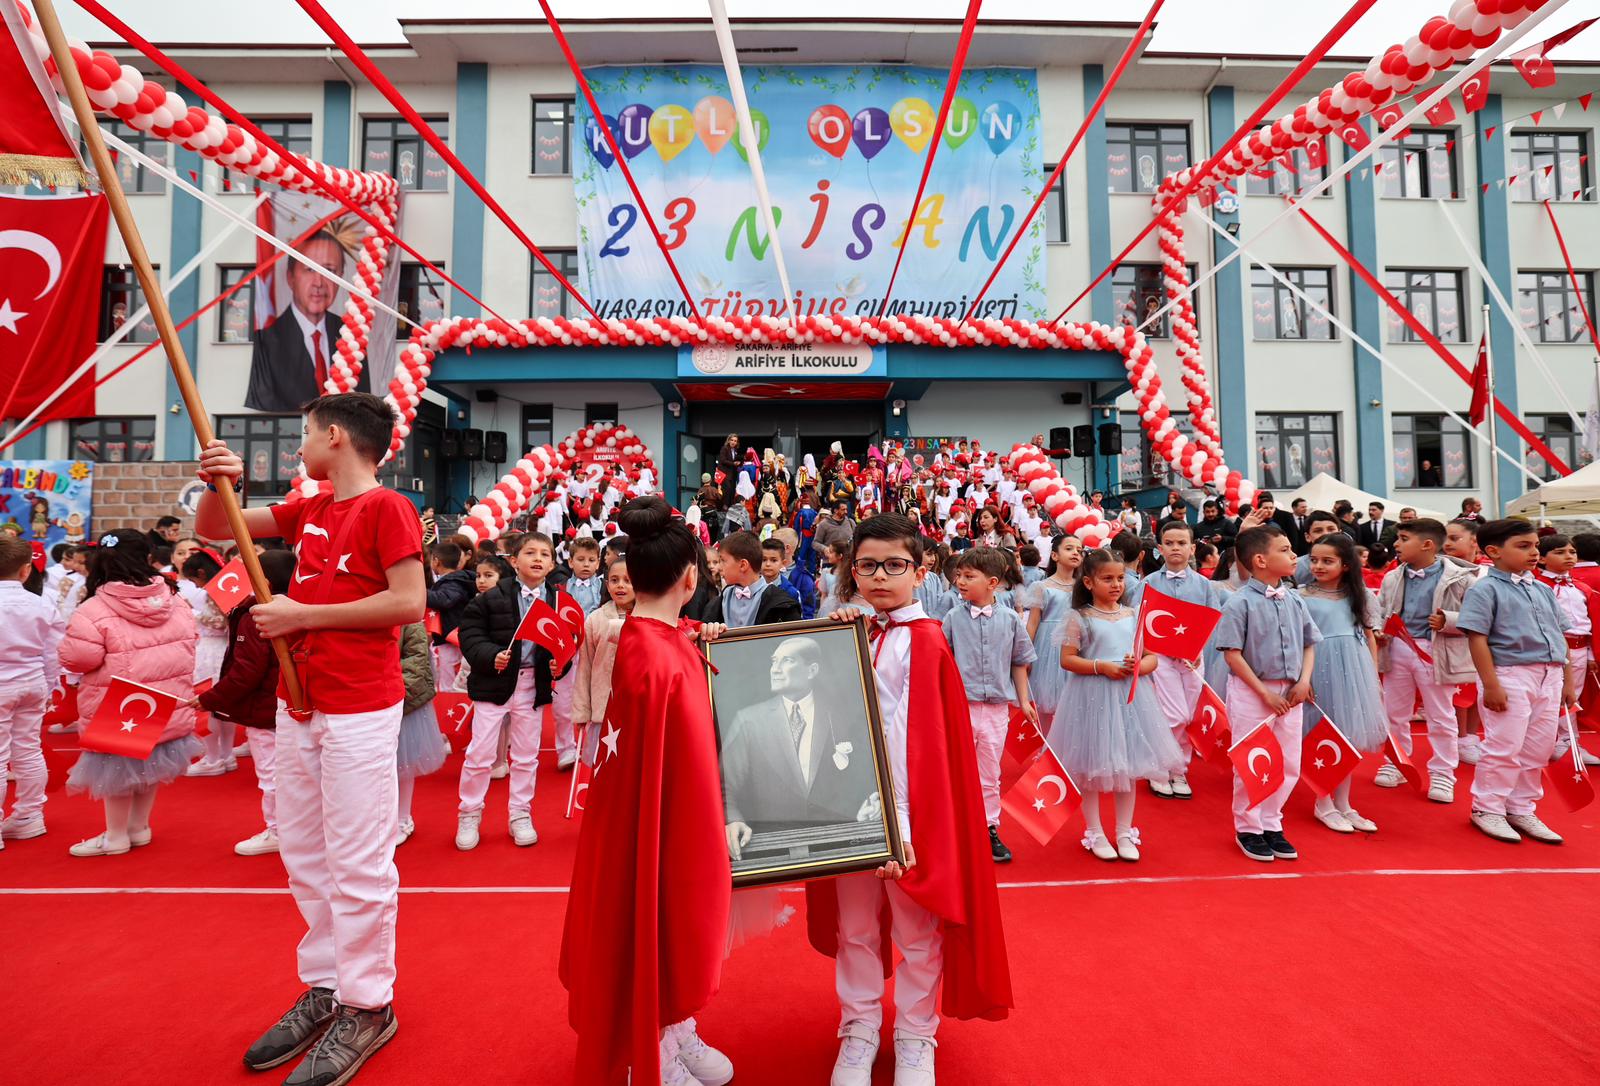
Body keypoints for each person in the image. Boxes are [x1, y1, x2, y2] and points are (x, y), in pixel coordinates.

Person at [196, 391, 425, 1083]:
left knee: (359, 861)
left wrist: (303, 615)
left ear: (334, 436)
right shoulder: (312, 508)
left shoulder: (387, 507)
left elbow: (408, 601)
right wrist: (217, 479)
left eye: (301, 433)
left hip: (360, 706)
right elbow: (217, 527)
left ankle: (367, 1002)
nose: (296, 445)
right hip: (300, 707)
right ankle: (328, 984)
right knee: (303, 851)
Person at [809, 513, 1011, 1086]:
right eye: (866, 565)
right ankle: (859, 1028)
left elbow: (916, 747)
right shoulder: (842, 630)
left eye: (894, 566)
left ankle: (916, 1035)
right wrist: (835, 635)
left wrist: (899, 826)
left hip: (912, 818)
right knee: (854, 929)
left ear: (920, 572)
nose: (879, 577)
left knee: (917, 933)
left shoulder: (927, 643)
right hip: (849, 814)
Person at [560, 497, 734, 1086]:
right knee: (658, 920)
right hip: (668, 820)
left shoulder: (649, 637)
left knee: (664, 923)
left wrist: (695, 629)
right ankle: (650, 1047)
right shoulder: (660, 659)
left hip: (652, 815)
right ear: (691, 578)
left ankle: (672, 1024)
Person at [61, 532, 200, 857]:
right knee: (149, 765)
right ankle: (139, 827)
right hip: (164, 694)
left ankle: (116, 835)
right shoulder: (173, 597)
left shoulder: (94, 607)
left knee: (117, 770)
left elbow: (79, 658)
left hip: (121, 700)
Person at [1052, 547, 1178, 862]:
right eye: (1107, 578)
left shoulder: (1135, 615)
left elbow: (1152, 659)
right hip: (1091, 698)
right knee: (1092, 768)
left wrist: (1137, 665)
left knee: (1128, 766)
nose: (1116, 584)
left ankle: (1125, 831)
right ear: (1089, 582)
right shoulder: (1078, 617)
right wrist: (1101, 667)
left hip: (1130, 698)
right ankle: (1094, 832)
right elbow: (1067, 660)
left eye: (1120, 578)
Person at [1458, 519, 1576, 844]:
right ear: (1493, 552)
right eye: (1523, 546)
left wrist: (1566, 680)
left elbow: (1559, 635)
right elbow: (1477, 638)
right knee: (1504, 745)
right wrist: (1491, 684)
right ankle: (1488, 807)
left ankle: (1521, 806)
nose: (1534, 552)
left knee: (1539, 747)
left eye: (1535, 545)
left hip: (1549, 674)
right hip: (1510, 674)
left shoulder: (1542, 589)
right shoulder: (1485, 589)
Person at [1213, 524, 1322, 863]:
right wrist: (1264, 694)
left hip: (1291, 693)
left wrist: (1304, 681)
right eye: (1286, 550)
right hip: (1252, 691)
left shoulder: (1293, 598)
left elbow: (1309, 643)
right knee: (1253, 759)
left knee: (1289, 760)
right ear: (1261, 560)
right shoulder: (1239, 602)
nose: (1294, 556)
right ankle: (1248, 825)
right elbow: (1232, 653)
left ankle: (1272, 822)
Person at [454, 531, 569, 851]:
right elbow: (470, 635)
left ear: (551, 564)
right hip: (494, 684)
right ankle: (469, 812)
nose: (537, 559)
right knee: (480, 754)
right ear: (514, 561)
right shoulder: (491, 597)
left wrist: (560, 666)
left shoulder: (557, 601)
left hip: (532, 687)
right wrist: (491, 656)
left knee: (526, 756)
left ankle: (520, 813)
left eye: (544, 555)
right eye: (530, 553)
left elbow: (566, 645)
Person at [721, 635, 881, 858]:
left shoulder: (841, 716)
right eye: (773, 661)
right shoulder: (749, 721)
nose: (775, 669)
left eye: (787, 661)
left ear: (811, 670)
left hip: (837, 847)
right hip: (768, 850)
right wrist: (733, 819)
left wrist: (870, 804)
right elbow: (724, 784)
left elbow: (866, 775)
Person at [941, 547, 1037, 865]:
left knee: (989, 773)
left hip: (997, 708)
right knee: (956, 771)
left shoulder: (1010, 619)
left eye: (969, 576)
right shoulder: (953, 618)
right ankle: (954, 831)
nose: (961, 581)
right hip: (960, 706)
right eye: (959, 575)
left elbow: (1020, 661)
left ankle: (988, 827)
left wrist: (1024, 700)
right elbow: (943, 662)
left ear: (992, 582)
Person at [197, 549, 295, 857]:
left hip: (268, 707)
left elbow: (246, 672)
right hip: (293, 702)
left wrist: (210, 699)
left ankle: (280, 831)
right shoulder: (304, 608)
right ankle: (300, 830)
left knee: (272, 774)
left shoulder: (258, 614)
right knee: (298, 773)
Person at [1374, 518, 1478, 804]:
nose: (1396, 544)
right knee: (1394, 712)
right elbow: (1380, 609)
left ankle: (1444, 773)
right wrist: (1379, 628)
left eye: (1403, 538)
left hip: (1437, 650)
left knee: (1441, 715)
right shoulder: (1393, 576)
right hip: (1398, 649)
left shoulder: (1462, 578)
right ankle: (1395, 762)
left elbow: (1479, 617)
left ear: (1427, 545)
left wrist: (1450, 621)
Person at [1298, 533, 1386, 834]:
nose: (1318, 566)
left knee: (1346, 737)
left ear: (1346, 564)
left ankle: (1345, 803)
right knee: (1322, 734)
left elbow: (1370, 636)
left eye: (1327, 561)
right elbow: (1299, 641)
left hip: (1354, 668)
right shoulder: (1301, 596)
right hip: (1319, 667)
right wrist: (1302, 677)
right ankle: (1323, 802)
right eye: (1314, 560)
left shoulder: (1360, 595)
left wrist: (1372, 677)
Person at [1134, 521, 1224, 799]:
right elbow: (1138, 621)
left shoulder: (1204, 585)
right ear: (1160, 549)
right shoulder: (1148, 583)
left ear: (1192, 548)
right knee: (1174, 714)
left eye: (1181, 543)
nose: (1176, 548)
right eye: (1170, 543)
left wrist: (1198, 651)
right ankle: (1161, 768)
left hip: (1192, 659)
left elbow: (1213, 620)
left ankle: (1179, 769)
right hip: (1160, 658)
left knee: (1189, 714)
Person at [245, 231, 373, 412]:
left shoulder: (351, 335)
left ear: (341, 276)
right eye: (310, 269)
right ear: (291, 277)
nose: (319, 283)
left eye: (329, 270)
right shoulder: (269, 339)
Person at [0, 536, 65, 846]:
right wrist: (51, 685)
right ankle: (29, 815)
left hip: (6, 683)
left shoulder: (42, 603)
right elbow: (53, 651)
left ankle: (24, 817)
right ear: (26, 570)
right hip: (33, 681)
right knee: (28, 748)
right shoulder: (42, 603)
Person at [1537, 534, 1599, 764]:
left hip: (1581, 649)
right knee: (1554, 697)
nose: (1568, 556)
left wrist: (1591, 653)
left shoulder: (1580, 587)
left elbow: (1590, 622)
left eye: (1572, 552)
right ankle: (1561, 743)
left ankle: (1568, 742)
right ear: (1542, 559)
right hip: (1553, 651)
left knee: (1574, 696)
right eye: (1560, 552)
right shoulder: (1539, 587)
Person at [571, 557, 633, 769]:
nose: (621, 585)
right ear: (607, 584)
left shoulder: (651, 618)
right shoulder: (595, 620)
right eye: (614, 580)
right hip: (603, 709)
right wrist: (582, 711)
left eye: (628, 580)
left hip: (637, 710)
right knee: (601, 770)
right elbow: (585, 666)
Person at [180, 550, 237, 777]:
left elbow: (219, 623)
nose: (196, 585)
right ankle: (225, 754)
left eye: (194, 580)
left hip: (212, 650)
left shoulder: (215, 590)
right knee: (223, 706)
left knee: (207, 704)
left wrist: (191, 612)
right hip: (225, 648)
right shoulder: (227, 585)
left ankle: (212, 757)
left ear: (201, 573)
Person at [551, 537, 605, 771]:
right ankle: (565, 749)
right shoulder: (559, 588)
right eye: (580, 559)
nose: (586, 564)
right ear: (570, 562)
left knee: (596, 696)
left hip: (593, 648)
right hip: (567, 647)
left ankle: (594, 746)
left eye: (591, 560)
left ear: (598, 562)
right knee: (562, 699)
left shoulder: (605, 587)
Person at [395, 618, 447, 846]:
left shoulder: (407, 615)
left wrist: (391, 690)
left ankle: (402, 818)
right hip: (366, 701)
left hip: (403, 699)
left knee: (403, 762)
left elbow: (417, 658)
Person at [1026, 534, 1083, 734]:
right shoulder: (1042, 587)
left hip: (1076, 646)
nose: (1076, 552)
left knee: (1074, 702)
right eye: (1069, 548)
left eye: (1079, 550)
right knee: (1045, 701)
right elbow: (1033, 623)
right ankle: (1045, 749)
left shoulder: (1085, 587)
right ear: (1055, 555)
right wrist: (1025, 655)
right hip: (1048, 647)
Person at [703, 531, 801, 628]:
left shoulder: (781, 605)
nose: (719, 567)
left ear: (743, 565)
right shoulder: (722, 599)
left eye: (723, 561)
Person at [425, 541, 476, 690]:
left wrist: (417, 591)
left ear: (436, 561)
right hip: (455, 639)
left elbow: (444, 599)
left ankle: (449, 711)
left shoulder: (453, 581)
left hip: (451, 641)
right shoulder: (459, 580)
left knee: (448, 684)